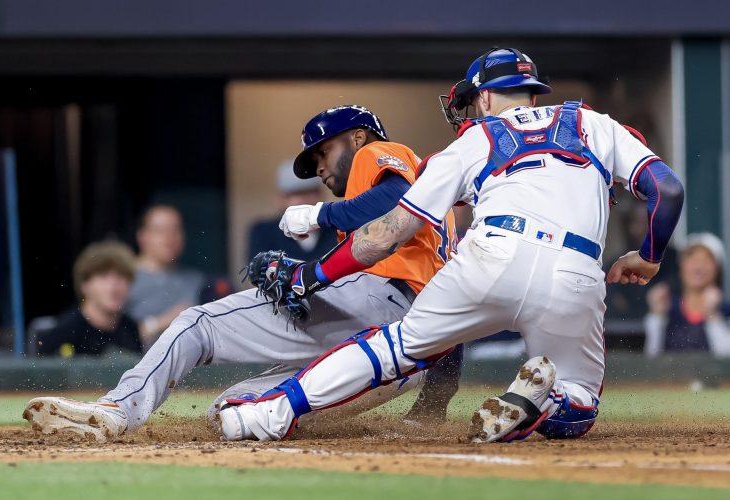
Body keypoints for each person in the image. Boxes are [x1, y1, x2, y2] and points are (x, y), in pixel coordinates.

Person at [217, 47, 684, 443]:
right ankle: (550, 397)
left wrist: (311, 275)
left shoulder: (473, 139)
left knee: (394, 347)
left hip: (491, 257)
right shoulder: (592, 123)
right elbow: (668, 190)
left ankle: (266, 414)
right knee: (580, 403)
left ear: (483, 95)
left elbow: (387, 233)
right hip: (575, 271)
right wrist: (647, 255)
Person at [23, 105, 458, 441]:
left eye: (324, 151)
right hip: (406, 347)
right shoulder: (441, 212)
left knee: (198, 323)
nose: (320, 167)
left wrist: (320, 216)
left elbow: (397, 201)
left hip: (374, 299)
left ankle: (118, 410)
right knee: (230, 410)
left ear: (358, 136)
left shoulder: (382, 152)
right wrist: (433, 405)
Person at [36, 241, 141, 357]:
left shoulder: (131, 329)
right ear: (84, 285)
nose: (113, 286)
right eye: (103, 276)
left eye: (121, 277)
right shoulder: (64, 333)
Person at [126, 204, 205, 347]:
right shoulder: (122, 279)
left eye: (175, 230)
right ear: (142, 237)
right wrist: (161, 322)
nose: (169, 237)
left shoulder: (196, 280)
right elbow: (109, 335)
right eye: (160, 230)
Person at [645, 233, 730, 357]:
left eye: (707, 260)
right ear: (681, 267)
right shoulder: (668, 309)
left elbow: (726, 364)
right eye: (692, 259)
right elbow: (650, 361)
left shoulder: (726, 312)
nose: (698, 267)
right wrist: (656, 316)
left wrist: (713, 316)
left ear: (717, 269)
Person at [247, 161, 339, 262]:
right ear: (280, 199)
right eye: (296, 194)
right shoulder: (264, 233)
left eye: (309, 192)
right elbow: (260, 272)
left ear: (320, 194)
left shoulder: (336, 230)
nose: (303, 200)